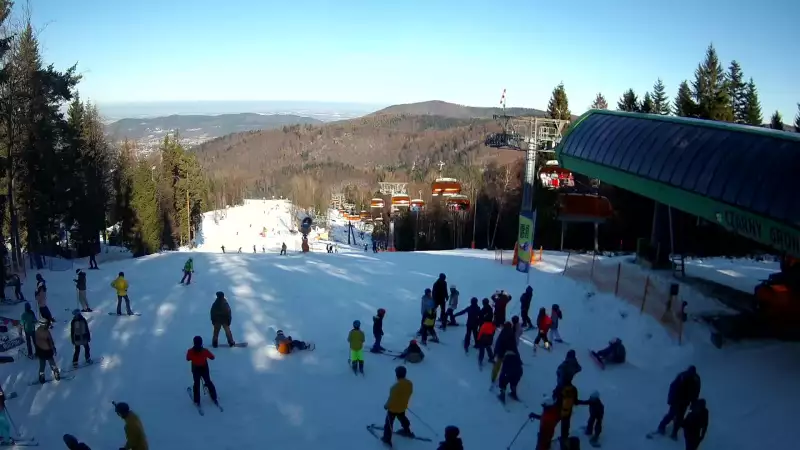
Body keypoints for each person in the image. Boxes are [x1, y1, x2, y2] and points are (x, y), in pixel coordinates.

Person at [657, 365, 701, 439]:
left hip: (685, 401)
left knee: (680, 417)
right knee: (672, 414)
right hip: (676, 400)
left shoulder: (696, 380)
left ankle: (674, 432)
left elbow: (696, 392)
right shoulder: (682, 377)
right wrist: (670, 399)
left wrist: (694, 403)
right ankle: (661, 426)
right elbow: (673, 388)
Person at [382, 366, 415, 446]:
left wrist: (386, 406)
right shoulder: (409, 384)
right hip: (403, 407)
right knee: (402, 418)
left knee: (389, 423)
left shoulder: (395, 388)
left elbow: (391, 400)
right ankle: (407, 430)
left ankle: (387, 438)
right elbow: (409, 393)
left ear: (397, 375)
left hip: (393, 409)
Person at [186, 336, 219, 406]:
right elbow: (212, 357)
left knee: (196, 383)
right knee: (208, 381)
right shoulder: (204, 351)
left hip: (195, 369)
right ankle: (214, 397)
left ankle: (197, 400)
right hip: (204, 368)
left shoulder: (190, 351)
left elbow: (188, 358)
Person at [34, 318, 60, 384]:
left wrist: (36, 352)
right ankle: (56, 373)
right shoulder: (46, 332)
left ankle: (41, 376)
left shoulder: (37, 331)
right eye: (45, 323)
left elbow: (36, 343)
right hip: (47, 351)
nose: (46, 325)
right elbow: (50, 341)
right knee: (52, 363)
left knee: (42, 365)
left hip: (40, 351)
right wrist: (53, 348)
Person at [491, 321, 517, 385]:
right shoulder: (511, 333)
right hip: (507, 353)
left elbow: (498, 343)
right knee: (506, 367)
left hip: (500, 352)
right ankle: (503, 380)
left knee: (497, 366)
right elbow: (513, 344)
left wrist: (495, 352)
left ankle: (493, 377)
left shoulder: (502, 332)